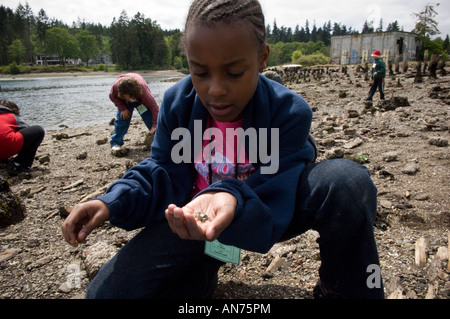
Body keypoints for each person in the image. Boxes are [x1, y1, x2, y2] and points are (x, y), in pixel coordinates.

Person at [62, 0, 384, 299]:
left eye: (233, 73)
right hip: (195, 224)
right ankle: (202, 271)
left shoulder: (289, 112)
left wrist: (232, 195)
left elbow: (277, 188)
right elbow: (159, 171)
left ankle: (342, 289)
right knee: (103, 295)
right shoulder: (177, 104)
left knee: (348, 183)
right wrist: (112, 200)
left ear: (262, 59)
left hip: (265, 210)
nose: (215, 89)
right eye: (199, 72)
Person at [109, 73, 159, 152]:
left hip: (139, 101)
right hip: (123, 102)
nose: (127, 98)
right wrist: (123, 108)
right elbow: (112, 97)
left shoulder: (144, 93)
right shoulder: (116, 88)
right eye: (125, 96)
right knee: (122, 120)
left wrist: (155, 125)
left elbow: (155, 108)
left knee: (149, 119)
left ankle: (159, 139)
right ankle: (116, 143)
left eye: (128, 96)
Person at [0, 100, 45, 176]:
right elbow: (27, 131)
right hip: (6, 147)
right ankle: (19, 164)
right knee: (38, 130)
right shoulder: (12, 115)